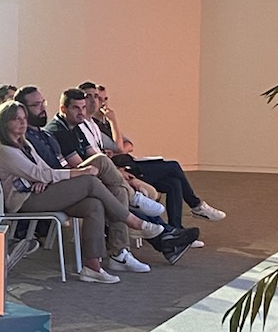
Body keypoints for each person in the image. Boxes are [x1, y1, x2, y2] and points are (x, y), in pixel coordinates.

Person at [17, 87, 197, 264]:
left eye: (43, 103)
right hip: (57, 186)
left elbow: (65, 162)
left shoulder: (51, 133)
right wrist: (44, 178)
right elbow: (50, 168)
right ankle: (153, 226)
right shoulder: (50, 132)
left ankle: (125, 252)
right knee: (108, 178)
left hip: (70, 179)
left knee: (118, 191)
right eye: (36, 105)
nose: (42, 108)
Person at [0, 99, 141, 282]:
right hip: (24, 200)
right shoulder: (4, 150)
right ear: (4, 123)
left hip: (40, 192)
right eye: (16, 119)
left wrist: (43, 180)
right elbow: (39, 173)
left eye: (23, 118)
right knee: (89, 181)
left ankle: (92, 266)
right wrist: (77, 172)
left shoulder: (25, 145)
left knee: (93, 205)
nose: (22, 123)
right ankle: (131, 220)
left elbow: (44, 171)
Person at [76, 80, 226, 229]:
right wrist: (114, 125)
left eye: (102, 98)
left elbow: (129, 144)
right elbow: (120, 148)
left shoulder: (103, 123)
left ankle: (176, 229)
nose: (100, 102)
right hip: (124, 167)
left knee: (174, 183)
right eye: (94, 97)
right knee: (173, 166)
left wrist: (116, 146)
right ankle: (196, 206)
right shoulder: (96, 124)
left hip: (130, 161)